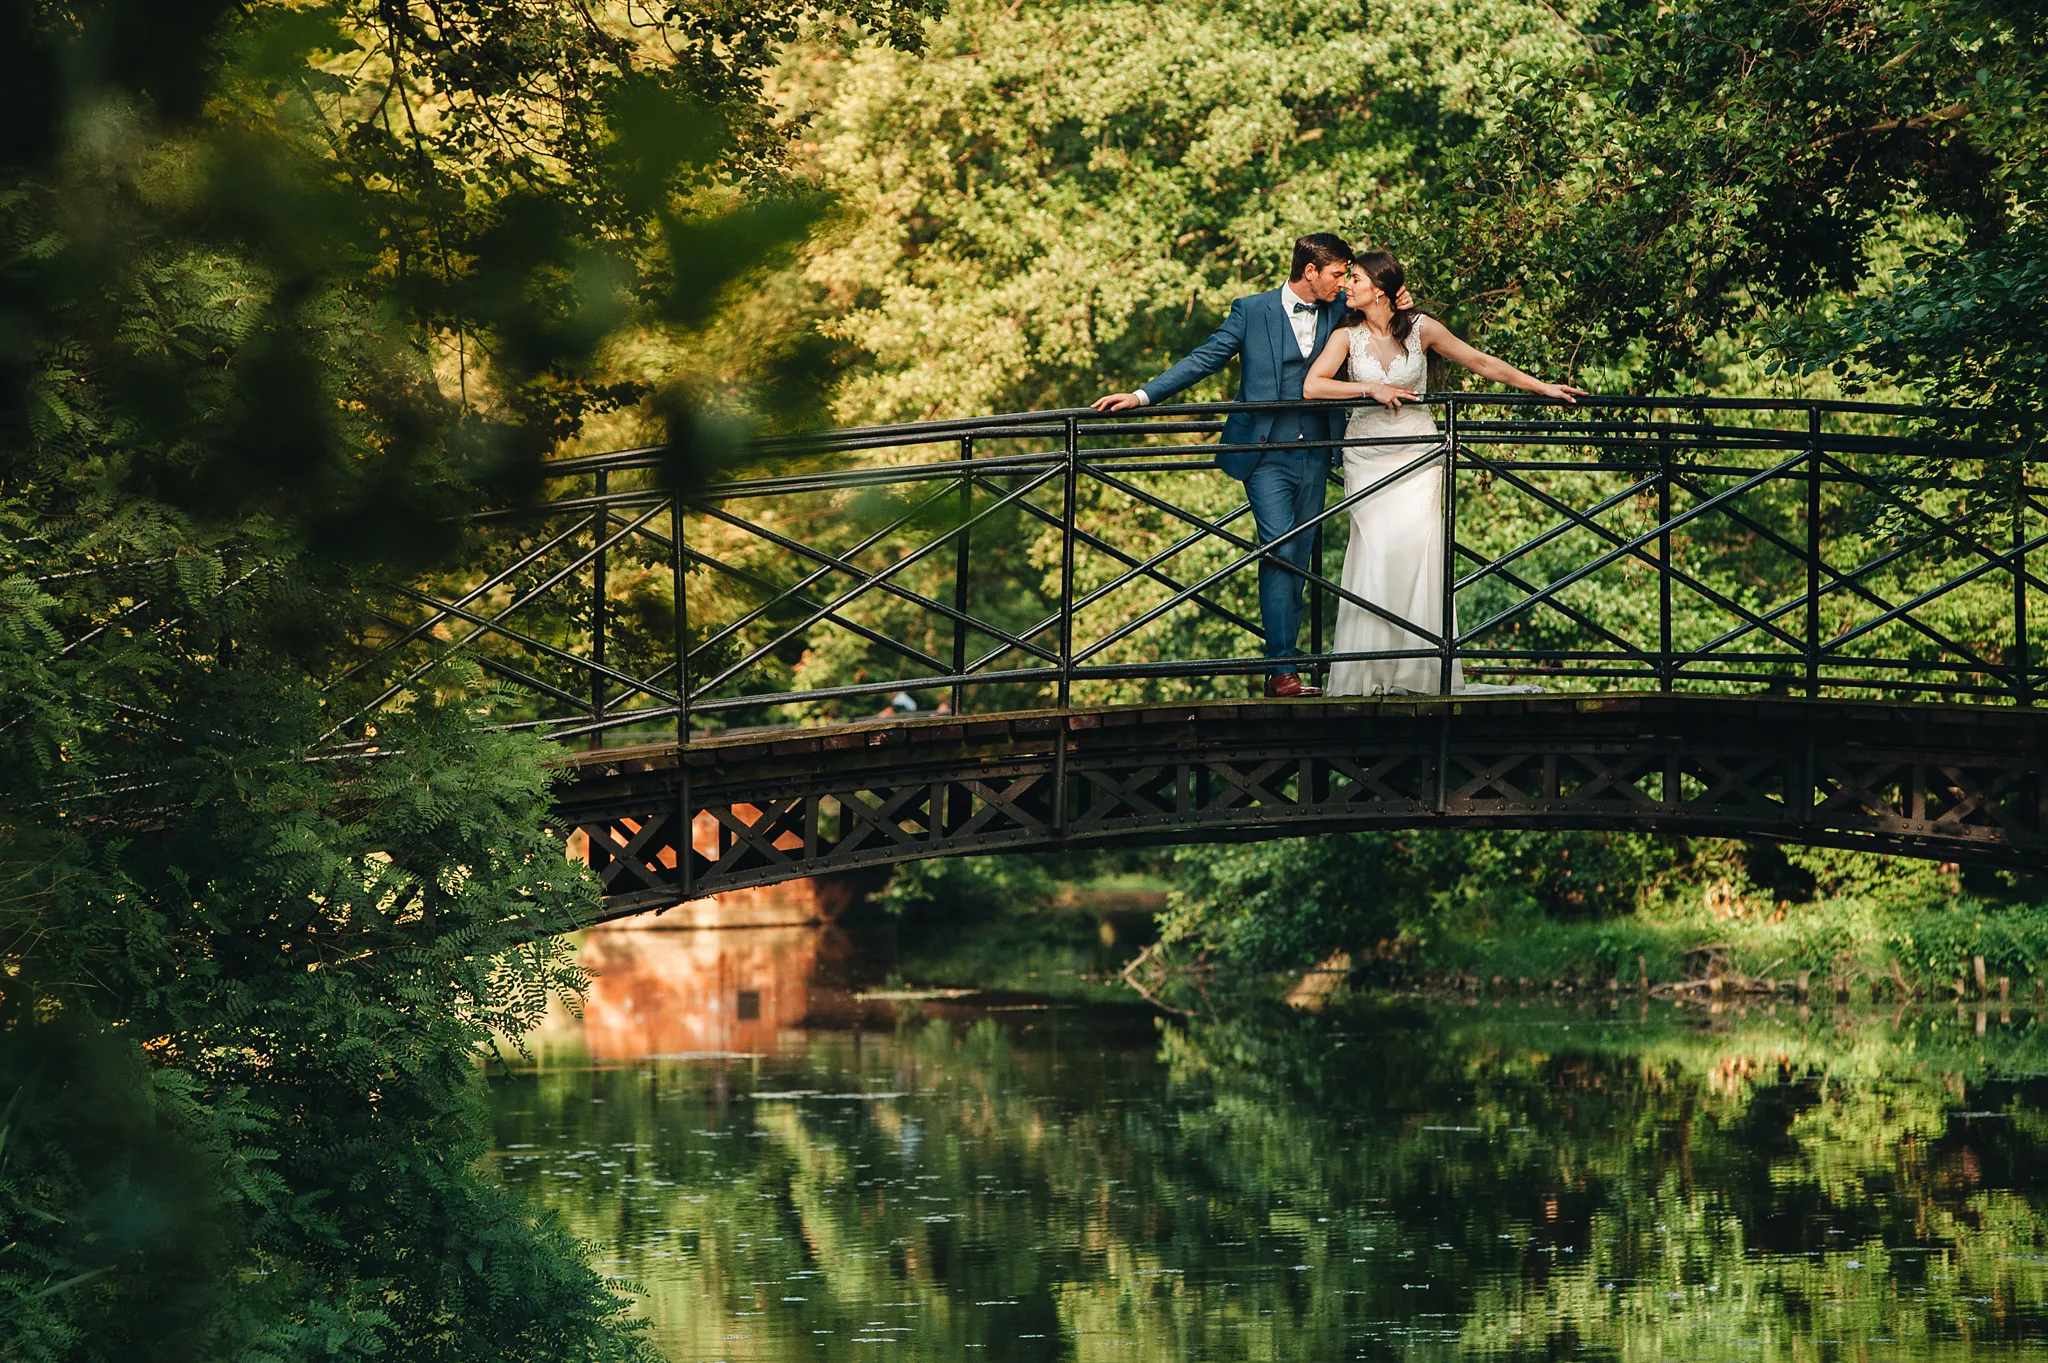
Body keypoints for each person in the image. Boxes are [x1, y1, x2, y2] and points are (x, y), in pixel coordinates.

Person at [1092, 234, 1413, 698]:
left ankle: (1292, 666)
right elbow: (1203, 360)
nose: (1344, 282)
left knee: (1299, 557)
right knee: (1279, 549)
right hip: (1262, 454)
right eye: (1337, 273)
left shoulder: (1340, 313)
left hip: (1318, 451)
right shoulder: (1250, 310)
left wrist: (1402, 299)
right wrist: (1142, 396)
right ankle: (1281, 669)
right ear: (1310, 272)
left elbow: (1388, 319)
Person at [1303, 249, 1586, 696]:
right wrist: (1369, 387)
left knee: (1418, 549)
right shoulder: (1346, 335)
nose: (1346, 285)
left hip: (1417, 451)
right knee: (1376, 548)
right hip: (1367, 453)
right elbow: (1313, 385)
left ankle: (1420, 668)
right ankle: (1368, 668)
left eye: (1354, 279)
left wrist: (1543, 387)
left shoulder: (1422, 329)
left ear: (1379, 288)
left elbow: (1481, 362)